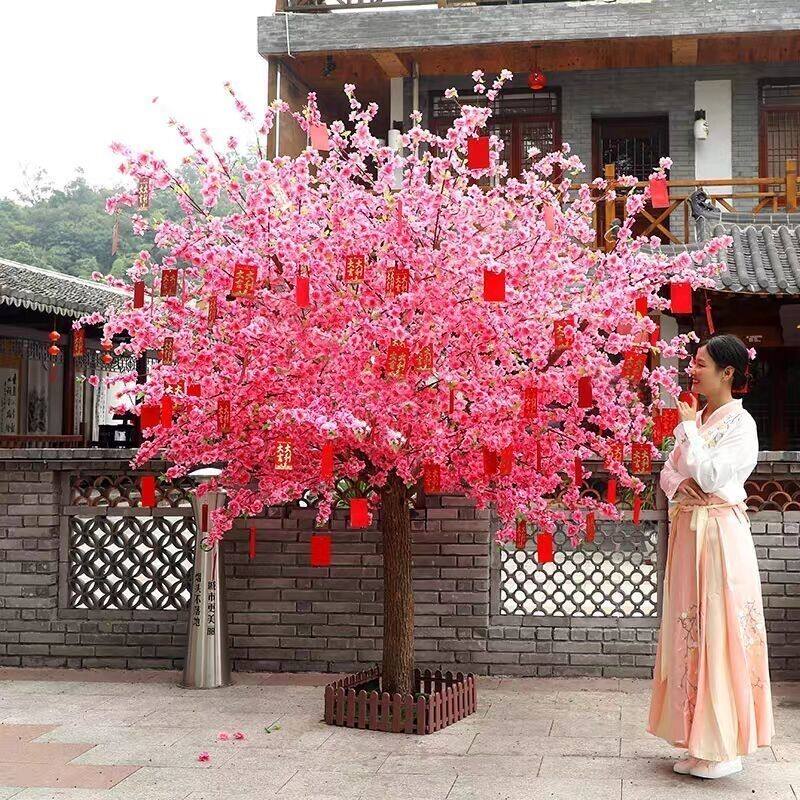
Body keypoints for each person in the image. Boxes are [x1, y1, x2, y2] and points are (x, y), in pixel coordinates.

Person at [647, 334, 775, 779]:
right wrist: (679, 483)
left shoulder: (741, 424)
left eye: (701, 364)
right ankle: (697, 739)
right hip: (689, 533)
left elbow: (713, 475)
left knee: (720, 627)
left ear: (727, 373)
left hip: (720, 533)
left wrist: (687, 436)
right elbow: (670, 472)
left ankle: (725, 747)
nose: (693, 370)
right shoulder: (698, 418)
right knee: (690, 627)